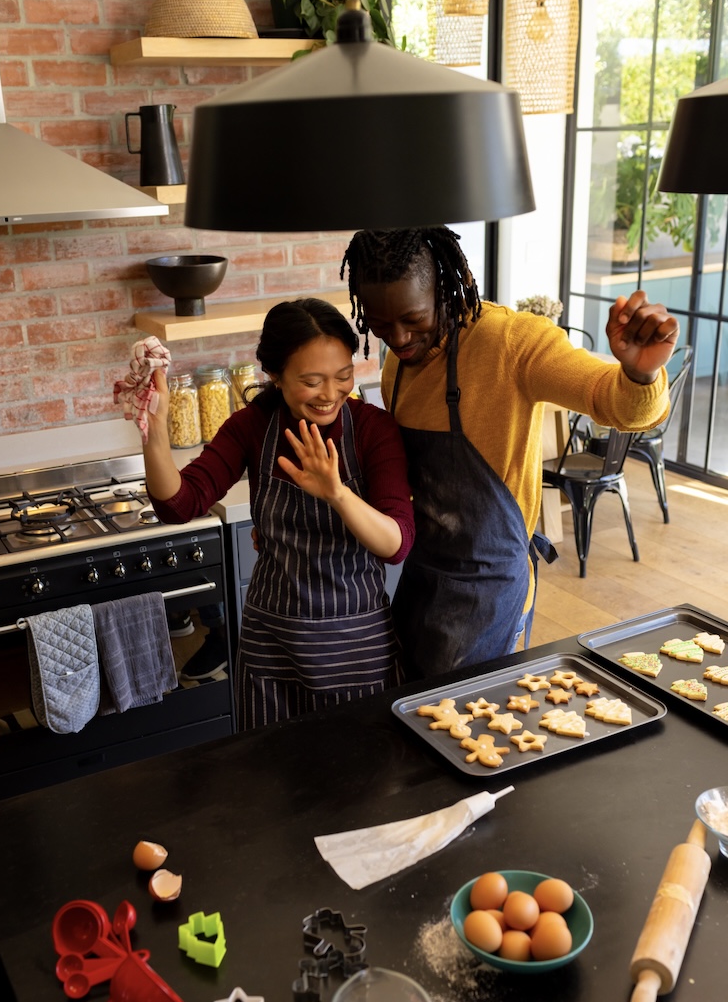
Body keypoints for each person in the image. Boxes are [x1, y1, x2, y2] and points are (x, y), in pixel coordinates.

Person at [340, 226, 676, 681]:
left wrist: (638, 374)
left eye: (412, 320)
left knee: (463, 724)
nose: (398, 338)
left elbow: (611, 401)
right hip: (423, 572)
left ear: (443, 289)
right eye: (380, 325)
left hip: (489, 586)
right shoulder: (399, 360)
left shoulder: (512, 342)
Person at [143, 297, 415, 730]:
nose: (331, 394)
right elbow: (179, 503)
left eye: (343, 376)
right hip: (272, 648)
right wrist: (154, 433)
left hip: (356, 649)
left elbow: (395, 544)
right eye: (312, 381)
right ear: (274, 375)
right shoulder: (252, 427)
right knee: (272, 785)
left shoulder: (371, 430)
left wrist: (337, 493)